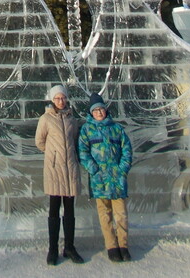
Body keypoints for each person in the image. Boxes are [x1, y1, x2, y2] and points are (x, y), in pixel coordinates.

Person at [78, 92, 132, 262]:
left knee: (121, 214)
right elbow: (83, 151)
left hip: (117, 179)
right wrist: (93, 169)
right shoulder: (87, 130)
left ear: (105, 110)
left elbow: (127, 150)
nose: (99, 112)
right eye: (95, 110)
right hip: (99, 180)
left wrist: (122, 168)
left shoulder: (117, 129)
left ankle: (123, 245)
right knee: (105, 214)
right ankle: (111, 246)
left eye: (101, 109)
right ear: (91, 113)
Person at [35, 85, 84, 266]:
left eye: (63, 98)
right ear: (52, 100)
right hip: (55, 169)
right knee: (54, 208)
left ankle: (69, 247)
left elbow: (75, 140)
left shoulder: (72, 119)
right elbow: (39, 141)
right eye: (57, 98)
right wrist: (53, 154)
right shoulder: (46, 118)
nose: (60, 101)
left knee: (70, 209)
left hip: (70, 168)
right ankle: (53, 248)